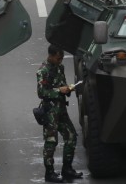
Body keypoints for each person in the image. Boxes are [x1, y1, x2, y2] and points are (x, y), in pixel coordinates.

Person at [37, 45, 83, 183]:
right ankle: (49, 173)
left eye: (62, 58)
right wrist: (58, 91)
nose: (60, 61)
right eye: (58, 58)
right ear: (51, 56)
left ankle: (67, 169)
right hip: (50, 111)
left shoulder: (60, 68)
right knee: (51, 141)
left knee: (71, 136)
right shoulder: (43, 71)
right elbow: (42, 92)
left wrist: (68, 89)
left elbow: (62, 84)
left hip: (61, 109)